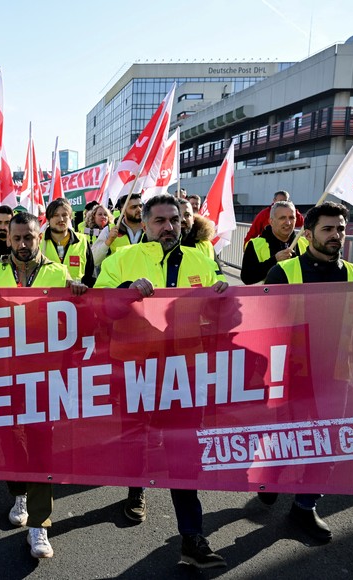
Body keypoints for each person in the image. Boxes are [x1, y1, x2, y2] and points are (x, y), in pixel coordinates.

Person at [95, 194, 228, 569]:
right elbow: (100, 305)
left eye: (175, 221)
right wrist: (125, 292)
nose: (169, 227)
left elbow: (225, 312)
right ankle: (135, 491)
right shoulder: (122, 259)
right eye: (160, 221)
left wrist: (222, 294)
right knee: (135, 438)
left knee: (183, 454)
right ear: (145, 223)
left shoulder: (202, 260)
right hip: (135, 370)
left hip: (185, 373)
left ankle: (191, 537)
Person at [262, 201, 353, 543]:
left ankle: (304, 506)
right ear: (309, 233)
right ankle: (270, 476)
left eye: (340, 228)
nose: (336, 235)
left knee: (327, 442)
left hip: (336, 374)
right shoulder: (283, 273)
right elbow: (263, 325)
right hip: (290, 376)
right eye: (328, 229)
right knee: (285, 437)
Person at [0, 211, 87, 559]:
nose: (23, 244)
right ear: (7, 239)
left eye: (29, 238)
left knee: (41, 442)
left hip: (44, 375)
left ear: (41, 237)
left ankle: (40, 524)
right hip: (3, 374)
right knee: (9, 438)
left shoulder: (56, 272)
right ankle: (19, 492)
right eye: (16, 238)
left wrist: (79, 293)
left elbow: (74, 315)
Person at [241, 200, 308, 285]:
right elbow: (247, 278)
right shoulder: (254, 245)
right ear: (271, 221)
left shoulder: (306, 243)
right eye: (282, 218)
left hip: (300, 296)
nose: (288, 222)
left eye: (291, 217)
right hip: (269, 297)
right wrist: (274, 260)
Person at [40, 198, 96, 286]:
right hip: (46, 297)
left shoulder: (82, 241)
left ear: (70, 217)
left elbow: (90, 275)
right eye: (55, 215)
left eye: (64, 215)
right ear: (48, 219)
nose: (61, 219)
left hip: (75, 297)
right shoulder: (38, 241)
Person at [92, 193, 143, 268]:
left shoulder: (151, 229)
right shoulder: (109, 230)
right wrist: (109, 241)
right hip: (117, 278)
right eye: (134, 207)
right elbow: (94, 260)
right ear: (123, 210)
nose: (139, 210)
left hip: (144, 278)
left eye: (140, 206)